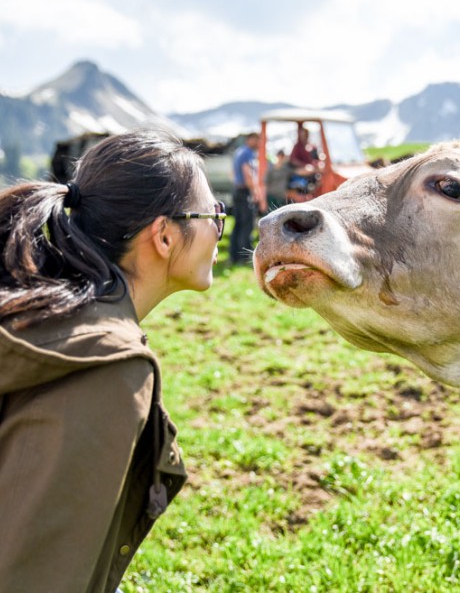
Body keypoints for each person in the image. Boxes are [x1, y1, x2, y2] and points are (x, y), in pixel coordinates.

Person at [0, 129, 223, 591]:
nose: (220, 228)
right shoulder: (106, 365)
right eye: (211, 214)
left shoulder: (43, 313)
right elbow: (38, 573)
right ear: (163, 236)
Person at [230, 132, 264, 265]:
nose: (258, 144)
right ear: (250, 139)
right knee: (247, 224)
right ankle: (244, 256)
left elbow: (232, 174)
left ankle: (234, 255)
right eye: (257, 140)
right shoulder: (247, 153)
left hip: (237, 190)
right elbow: (247, 172)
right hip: (244, 191)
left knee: (238, 223)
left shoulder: (239, 152)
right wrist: (254, 190)